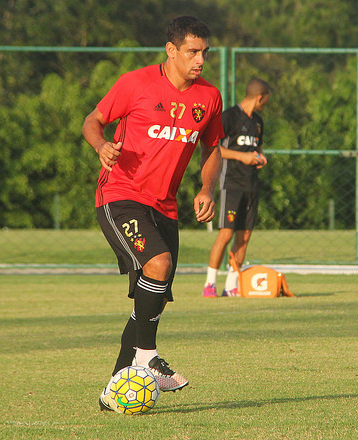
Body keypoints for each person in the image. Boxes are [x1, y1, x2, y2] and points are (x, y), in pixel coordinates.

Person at [82, 16, 224, 410]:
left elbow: (211, 148)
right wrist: (101, 146)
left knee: (149, 304)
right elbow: (92, 120)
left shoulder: (209, 97)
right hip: (120, 195)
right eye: (192, 52)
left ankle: (115, 391)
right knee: (158, 264)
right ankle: (146, 354)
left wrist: (206, 187)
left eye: (204, 53)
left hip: (165, 207)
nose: (200, 60)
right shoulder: (136, 83)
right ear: (171, 50)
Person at [202, 78, 271, 297]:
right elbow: (215, 150)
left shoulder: (258, 122)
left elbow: (256, 149)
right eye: (266, 100)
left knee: (245, 235)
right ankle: (210, 284)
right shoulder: (229, 117)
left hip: (251, 185)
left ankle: (231, 285)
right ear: (260, 98)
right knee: (226, 234)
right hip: (231, 184)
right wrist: (243, 157)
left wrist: (259, 158)